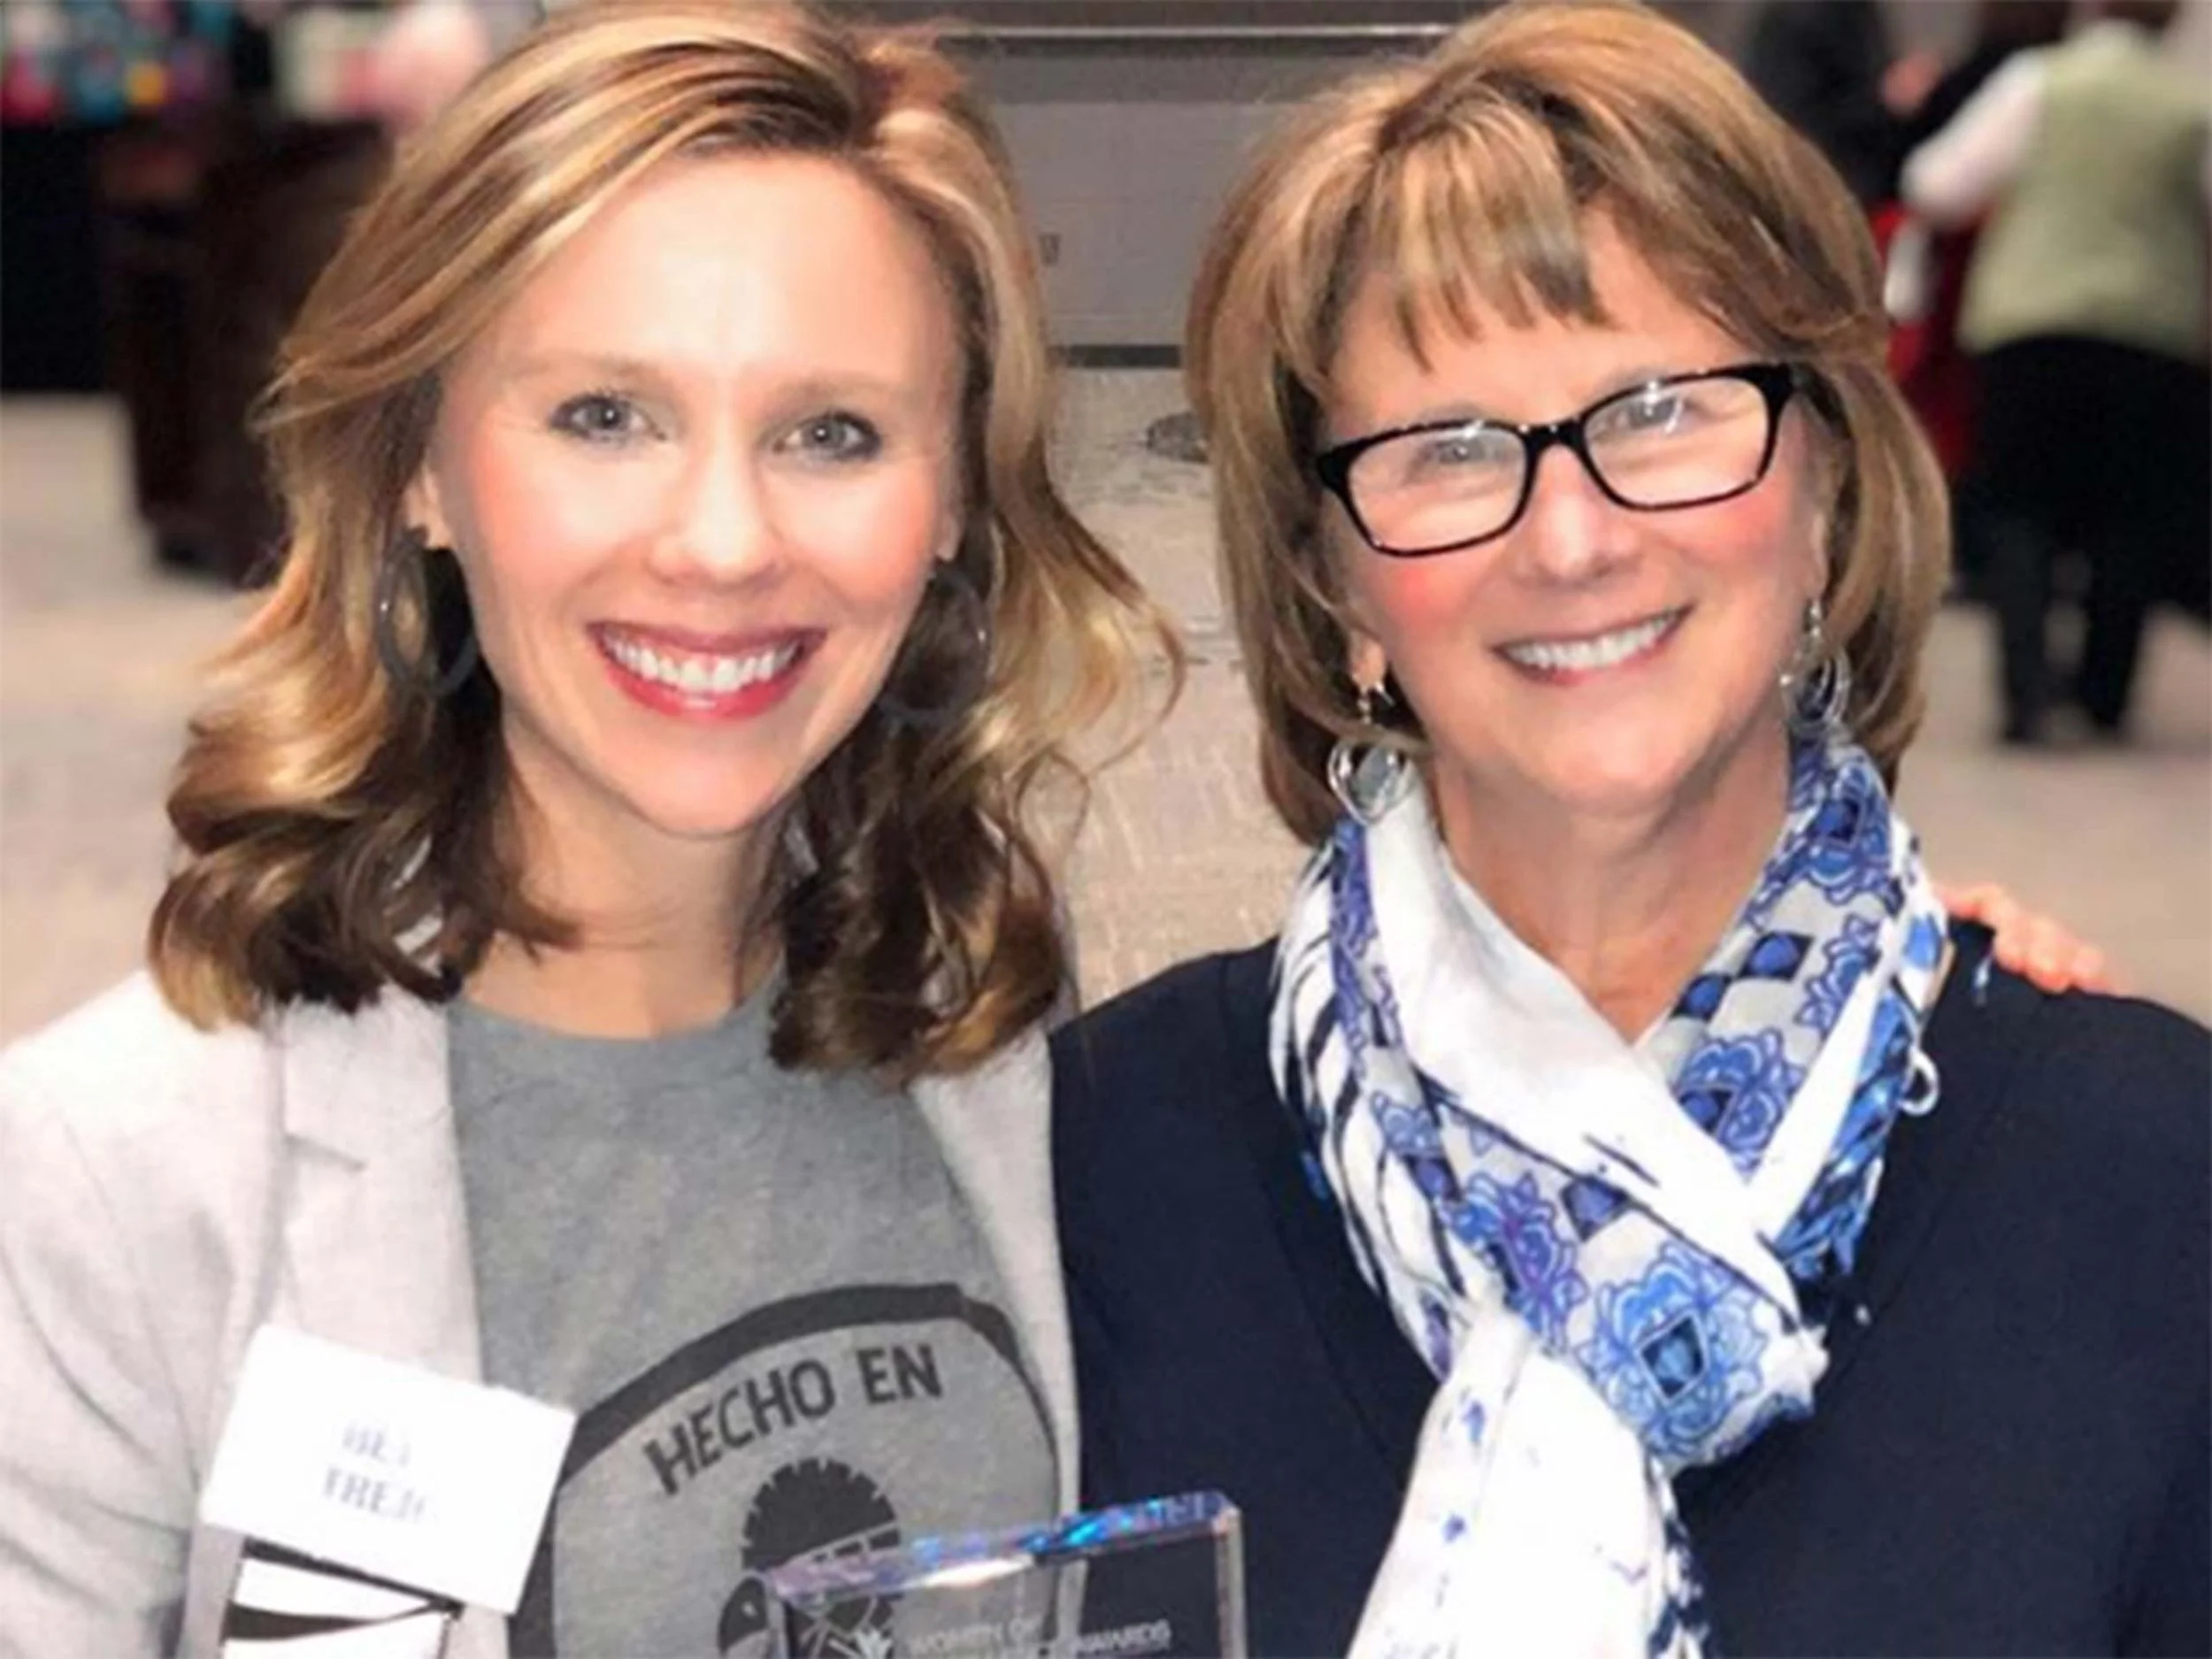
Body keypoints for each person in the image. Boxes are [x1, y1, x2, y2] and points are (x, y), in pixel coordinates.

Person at [0, 3, 1166, 1654]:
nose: (719, 541)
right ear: (421, 468)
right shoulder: (114, 1172)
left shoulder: (997, 1031)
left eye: (830, 431)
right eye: (605, 416)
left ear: (956, 499)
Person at [1054, 4, 2209, 1655]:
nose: (1575, 536)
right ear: (1336, 585)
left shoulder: (2146, 1176)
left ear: (1824, 487)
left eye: (1663, 407)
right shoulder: (1110, 1155)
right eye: (1448, 451)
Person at [1902, 0, 2211, 742]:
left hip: (2030, 321)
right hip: (2152, 329)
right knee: (2128, 519)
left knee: (2020, 507)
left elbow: (1938, 183)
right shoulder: (2190, 108)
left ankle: (2027, 690)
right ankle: (2105, 694)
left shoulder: (2040, 83)